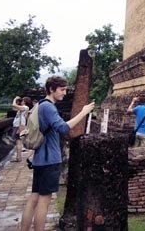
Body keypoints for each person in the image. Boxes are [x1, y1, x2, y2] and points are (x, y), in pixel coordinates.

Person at [20, 76, 94, 231]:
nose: (64, 93)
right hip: (49, 160)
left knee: (34, 198)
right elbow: (63, 128)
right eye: (62, 89)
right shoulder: (48, 107)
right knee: (44, 201)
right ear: (51, 89)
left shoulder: (40, 105)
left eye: (65, 89)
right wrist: (84, 112)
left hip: (41, 159)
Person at [11, 96, 32, 162]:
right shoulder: (23, 108)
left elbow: (13, 105)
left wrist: (15, 99)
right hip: (19, 125)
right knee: (18, 142)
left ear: (24, 102)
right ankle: (18, 157)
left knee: (18, 142)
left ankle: (19, 157)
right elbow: (14, 108)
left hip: (19, 126)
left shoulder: (25, 107)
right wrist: (17, 102)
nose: (21, 101)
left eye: (22, 100)